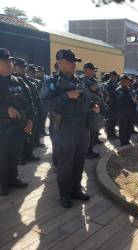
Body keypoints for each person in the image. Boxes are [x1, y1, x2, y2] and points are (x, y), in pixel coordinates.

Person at [44, 49, 100, 208]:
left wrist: (93, 108)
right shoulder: (52, 82)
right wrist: (66, 96)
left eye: (75, 62)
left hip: (82, 129)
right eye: (70, 62)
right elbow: (44, 105)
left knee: (79, 162)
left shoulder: (78, 81)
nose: (74, 65)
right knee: (65, 164)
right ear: (60, 63)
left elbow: (84, 102)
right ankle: (65, 194)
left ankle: (76, 189)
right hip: (64, 130)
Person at [0, 48, 33, 196]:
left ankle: (12, 179)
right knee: (2, 157)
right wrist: (6, 109)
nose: (10, 63)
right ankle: (2, 184)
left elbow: (30, 102)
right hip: (3, 128)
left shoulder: (18, 81)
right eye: (6, 60)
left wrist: (31, 120)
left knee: (15, 155)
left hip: (18, 127)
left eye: (10, 60)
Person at [13, 58, 42, 165]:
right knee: (20, 137)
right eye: (21, 67)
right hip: (19, 114)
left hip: (31, 111)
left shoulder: (27, 80)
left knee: (30, 134)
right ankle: (21, 157)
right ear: (15, 67)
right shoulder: (12, 80)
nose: (23, 69)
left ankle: (29, 154)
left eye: (24, 67)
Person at [115, 74, 136, 146]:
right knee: (123, 128)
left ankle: (127, 140)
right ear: (122, 81)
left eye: (128, 81)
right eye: (126, 81)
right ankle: (123, 142)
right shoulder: (118, 90)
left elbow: (133, 99)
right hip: (123, 113)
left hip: (130, 112)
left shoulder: (129, 89)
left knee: (129, 127)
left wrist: (134, 101)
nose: (128, 83)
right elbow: (120, 101)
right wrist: (131, 99)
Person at [103, 71, 119, 140]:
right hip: (110, 105)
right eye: (114, 76)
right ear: (110, 76)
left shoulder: (116, 84)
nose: (115, 78)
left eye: (116, 76)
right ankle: (110, 135)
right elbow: (106, 94)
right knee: (110, 121)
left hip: (116, 105)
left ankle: (113, 134)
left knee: (114, 121)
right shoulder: (107, 84)